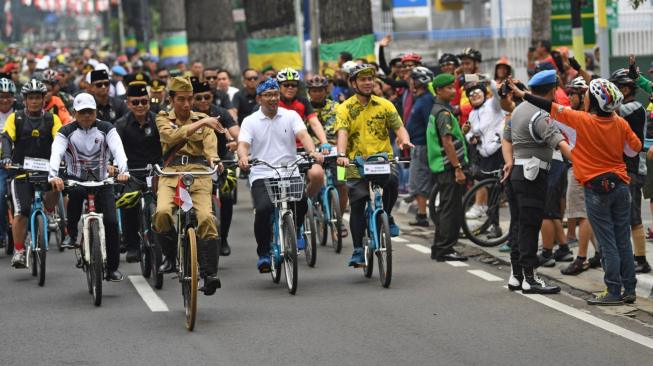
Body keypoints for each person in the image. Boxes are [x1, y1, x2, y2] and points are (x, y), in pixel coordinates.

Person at [511, 77, 642, 306]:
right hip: (621, 185)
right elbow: (634, 150)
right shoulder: (620, 122)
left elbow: (549, 106)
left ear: (592, 101)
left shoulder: (580, 120)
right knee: (622, 239)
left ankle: (613, 291)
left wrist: (523, 94)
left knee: (607, 240)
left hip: (596, 188)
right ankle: (629, 289)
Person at [237, 78, 324, 272]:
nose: (273, 98)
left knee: (301, 201)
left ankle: (298, 229)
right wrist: (243, 158)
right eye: (268, 95)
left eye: (275, 94)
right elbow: (243, 145)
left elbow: (303, 135)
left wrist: (312, 152)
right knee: (263, 209)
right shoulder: (250, 121)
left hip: (289, 169)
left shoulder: (290, 115)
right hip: (262, 171)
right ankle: (263, 253)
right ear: (259, 98)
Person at [151, 76, 225, 296]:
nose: (186, 104)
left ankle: (209, 273)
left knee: (206, 218)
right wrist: (202, 123)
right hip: (171, 173)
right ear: (172, 99)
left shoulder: (203, 119)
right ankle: (171, 255)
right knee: (162, 213)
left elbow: (211, 148)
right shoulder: (163, 118)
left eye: (189, 99)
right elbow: (171, 137)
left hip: (199, 174)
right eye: (181, 99)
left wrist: (215, 160)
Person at [335, 64, 413, 267]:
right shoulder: (344, 108)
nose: (368, 82)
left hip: (382, 159)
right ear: (353, 83)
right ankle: (358, 250)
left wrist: (404, 140)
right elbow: (342, 132)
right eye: (363, 79)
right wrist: (341, 155)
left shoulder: (385, 105)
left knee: (393, 181)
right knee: (358, 203)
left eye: (370, 79)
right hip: (354, 161)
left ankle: (387, 215)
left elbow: (399, 127)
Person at [502, 70, 572, 294]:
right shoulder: (540, 114)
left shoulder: (518, 110)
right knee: (531, 227)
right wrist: (585, 163)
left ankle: (517, 275)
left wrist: (508, 162)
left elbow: (506, 138)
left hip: (516, 173)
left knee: (519, 224)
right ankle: (530, 279)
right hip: (532, 176)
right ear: (553, 90)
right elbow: (561, 144)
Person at [48, 93, 129, 282]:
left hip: (102, 181)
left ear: (96, 112)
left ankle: (112, 269)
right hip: (77, 180)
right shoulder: (65, 131)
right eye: (82, 112)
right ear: (75, 113)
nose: (87, 116)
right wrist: (53, 176)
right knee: (74, 194)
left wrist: (123, 171)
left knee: (111, 222)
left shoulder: (107, 128)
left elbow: (118, 150)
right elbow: (56, 153)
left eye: (90, 112)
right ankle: (72, 234)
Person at [1, 79, 62, 268]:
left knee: (57, 184)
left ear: (44, 99)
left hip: (46, 169)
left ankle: (50, 213)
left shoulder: (52, 119)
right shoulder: (16, 118)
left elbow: (60, 141)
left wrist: (61, 162)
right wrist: (7, 158)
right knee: (22, 211)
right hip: (20, 171)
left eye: (38, 98)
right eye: (30, 98)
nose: (34, 101)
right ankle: (19, 250)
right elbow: (7, 138)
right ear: (25, 100)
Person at [191, 79, 240, 256]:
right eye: (199, 98)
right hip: (196, 162)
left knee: (227, 197)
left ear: (212, 97)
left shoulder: (222, 113)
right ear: (193, 99)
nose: (203, 101)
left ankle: (224, 238)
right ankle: (190, 235)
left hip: (222, 160)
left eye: (207, 97)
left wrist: (237, 143)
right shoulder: (188, 116)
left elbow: (236, 133)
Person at [114, 84, 162, 263]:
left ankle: (166, 245)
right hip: (131, 172)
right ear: (128, 103)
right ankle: (132, 245)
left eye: (144, 101)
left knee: (164, 206)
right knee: (128, 203)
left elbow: (169, 144)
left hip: (156, 170)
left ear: (149, 102)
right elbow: (115, 150)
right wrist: (117, 168)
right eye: (136, 102)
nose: (140, 105)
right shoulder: (120, 125)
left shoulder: (159, 121)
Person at [610, 68, 651, 274]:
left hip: (633, 169)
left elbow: (611, 110)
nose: (612, 93)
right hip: (625, 168)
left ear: (625, 89)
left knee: (633, 215)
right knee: (624, 216)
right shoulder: (627, 106)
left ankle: (641, 259)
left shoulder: (634, 107)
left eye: (616, 88)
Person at [559, 77, 599, 275]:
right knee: (587, 214)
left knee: (583, 214)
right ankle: (600, 253)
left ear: (584, 96)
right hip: (590, 168)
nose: (569, 97)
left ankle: (581, 258)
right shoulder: (594, 116)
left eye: (573, 94)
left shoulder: (578, 118)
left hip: (580, 169)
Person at [427, 73, 469, 261]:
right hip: (449, 168)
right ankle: (445, 249)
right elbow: (447, 143)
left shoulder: (439, 109)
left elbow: (449, 136)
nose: (454, 91)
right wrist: (458, 168)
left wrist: (462, 131)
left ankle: (439, 248)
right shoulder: (443, 113)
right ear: (438, 90)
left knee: (446, 207)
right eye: (449, 88)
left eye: (454, 87)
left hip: (442, 166)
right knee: (450, 209)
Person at [463, 80, 506, 239]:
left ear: (484, 92)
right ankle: (494, 224)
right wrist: (470, 137)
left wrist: (489, 81)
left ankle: (496, 226)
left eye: (477, 92)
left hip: (499, 150)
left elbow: (496, 93)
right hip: (484, 155)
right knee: (489, 189)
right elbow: (469, 133)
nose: (474, 95)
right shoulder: (472, 114)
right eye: (470, 94)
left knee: (497, 190)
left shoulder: (493, 105)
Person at [405, 67, 435, 227]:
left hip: (422, 146)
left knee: (420, 180)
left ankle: (423, 215)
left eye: (413, 79)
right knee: (416, 181)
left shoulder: (426, 100)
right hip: (417, 146)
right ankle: (421, 213)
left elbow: (430, 125)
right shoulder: (421, 99)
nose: (410, 83)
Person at [0, 78, 15, 247]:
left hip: (17, 162)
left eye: (8, 96)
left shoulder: (21, 112)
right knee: (0, 193)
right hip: (1, 164)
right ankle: (2, 231)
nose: (5, 99)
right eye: (1, 96)